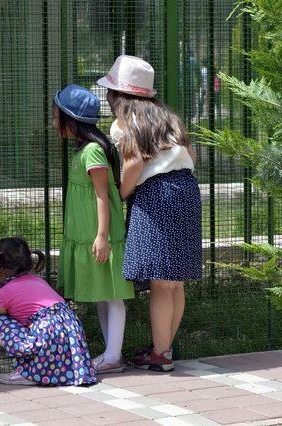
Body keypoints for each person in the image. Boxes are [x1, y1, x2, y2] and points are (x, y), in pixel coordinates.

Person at [98, 55, 202, 372]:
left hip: (156, 193)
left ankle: (161, 354)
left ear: (119, 95)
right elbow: (191, 154)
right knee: (175, 281)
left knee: (160, 281)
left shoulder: (125, 123)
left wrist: (121, 193)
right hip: (186, 188)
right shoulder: (170, 118)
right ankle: (163, 350)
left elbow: (133, 164)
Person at [54, 84, 134, 374]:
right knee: (103, 293)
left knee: (112, 294)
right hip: (88, 236)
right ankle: (110, 353)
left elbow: (103, 194)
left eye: (56, 115)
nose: (53, 122)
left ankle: (113, 356)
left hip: (100, 236)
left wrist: (102, 236)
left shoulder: (92, 152)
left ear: (70, 119)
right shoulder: (84, 151)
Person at [0, 237, 96, 386]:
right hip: (71, 332)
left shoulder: (2, 295)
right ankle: (55, 372)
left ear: (0, 269)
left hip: (48, 334)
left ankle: (29, 373)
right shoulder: (37, 280)